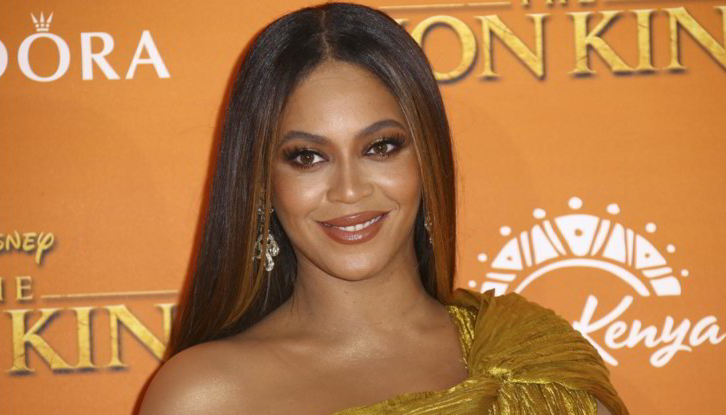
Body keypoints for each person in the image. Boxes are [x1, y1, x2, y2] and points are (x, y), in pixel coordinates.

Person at [138, 2, 628, 414]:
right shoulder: (205, 396)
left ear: (427, 159)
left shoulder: (531, 357)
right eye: (307, 157)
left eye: (380, 147)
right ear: (263, 183)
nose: (349, 190)